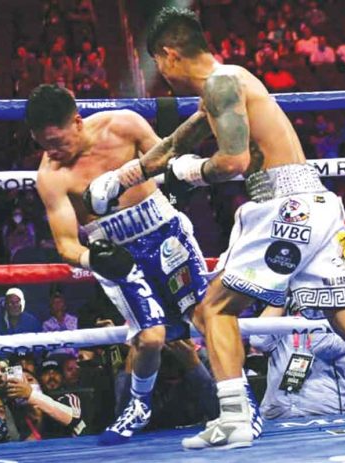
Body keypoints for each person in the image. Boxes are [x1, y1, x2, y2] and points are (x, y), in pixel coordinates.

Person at [86, 7, 345, 449]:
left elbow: (233, 161)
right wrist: (118, 180)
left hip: (284, 206)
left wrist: (190, 173)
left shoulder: (221, 83)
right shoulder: (228, 84)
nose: (159, 76)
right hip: (320, 206)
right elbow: (173, 145)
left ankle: (234, 420)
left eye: (157, 64)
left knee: (213, 310)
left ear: (169, 55)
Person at [25, 84, 222, 445]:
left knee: (207, 317)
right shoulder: (51, 175)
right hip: (119, 257)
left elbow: (167, 160)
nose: (51, 151)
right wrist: (92, 258)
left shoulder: (124, 125)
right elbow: (67, 244)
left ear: (77, 123)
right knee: (150, 339)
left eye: (56, 141)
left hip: (166, 233)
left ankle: (235, 401)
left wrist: (182, 183)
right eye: (43, 144)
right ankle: (138, 405)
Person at [250, 304, 345, 419]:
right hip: (278, 413)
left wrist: (310, 305)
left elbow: (323, 346)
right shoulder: (286, 318)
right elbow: (258, 341)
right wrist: (280, 299)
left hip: (328, 415)